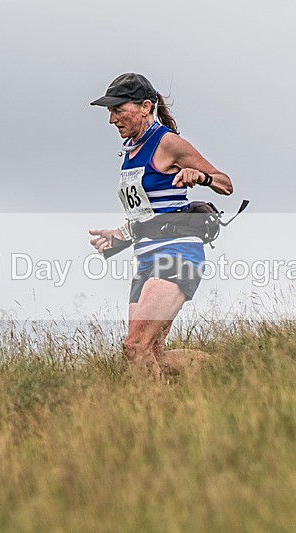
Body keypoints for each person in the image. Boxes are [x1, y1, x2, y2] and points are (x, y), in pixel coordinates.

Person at [88, 73, 234, 377]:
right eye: (109, 111)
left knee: (135, 346)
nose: (112, 119)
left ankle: (151, 418)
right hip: (146, 258)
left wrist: (201, 177)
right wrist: (120, 235)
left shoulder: (167, 143)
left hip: (177, 253)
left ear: (145, 106)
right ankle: (229, 369)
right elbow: (146, 215)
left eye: (118, 109)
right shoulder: (130, 152)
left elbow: (225, 183)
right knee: (151, 353)